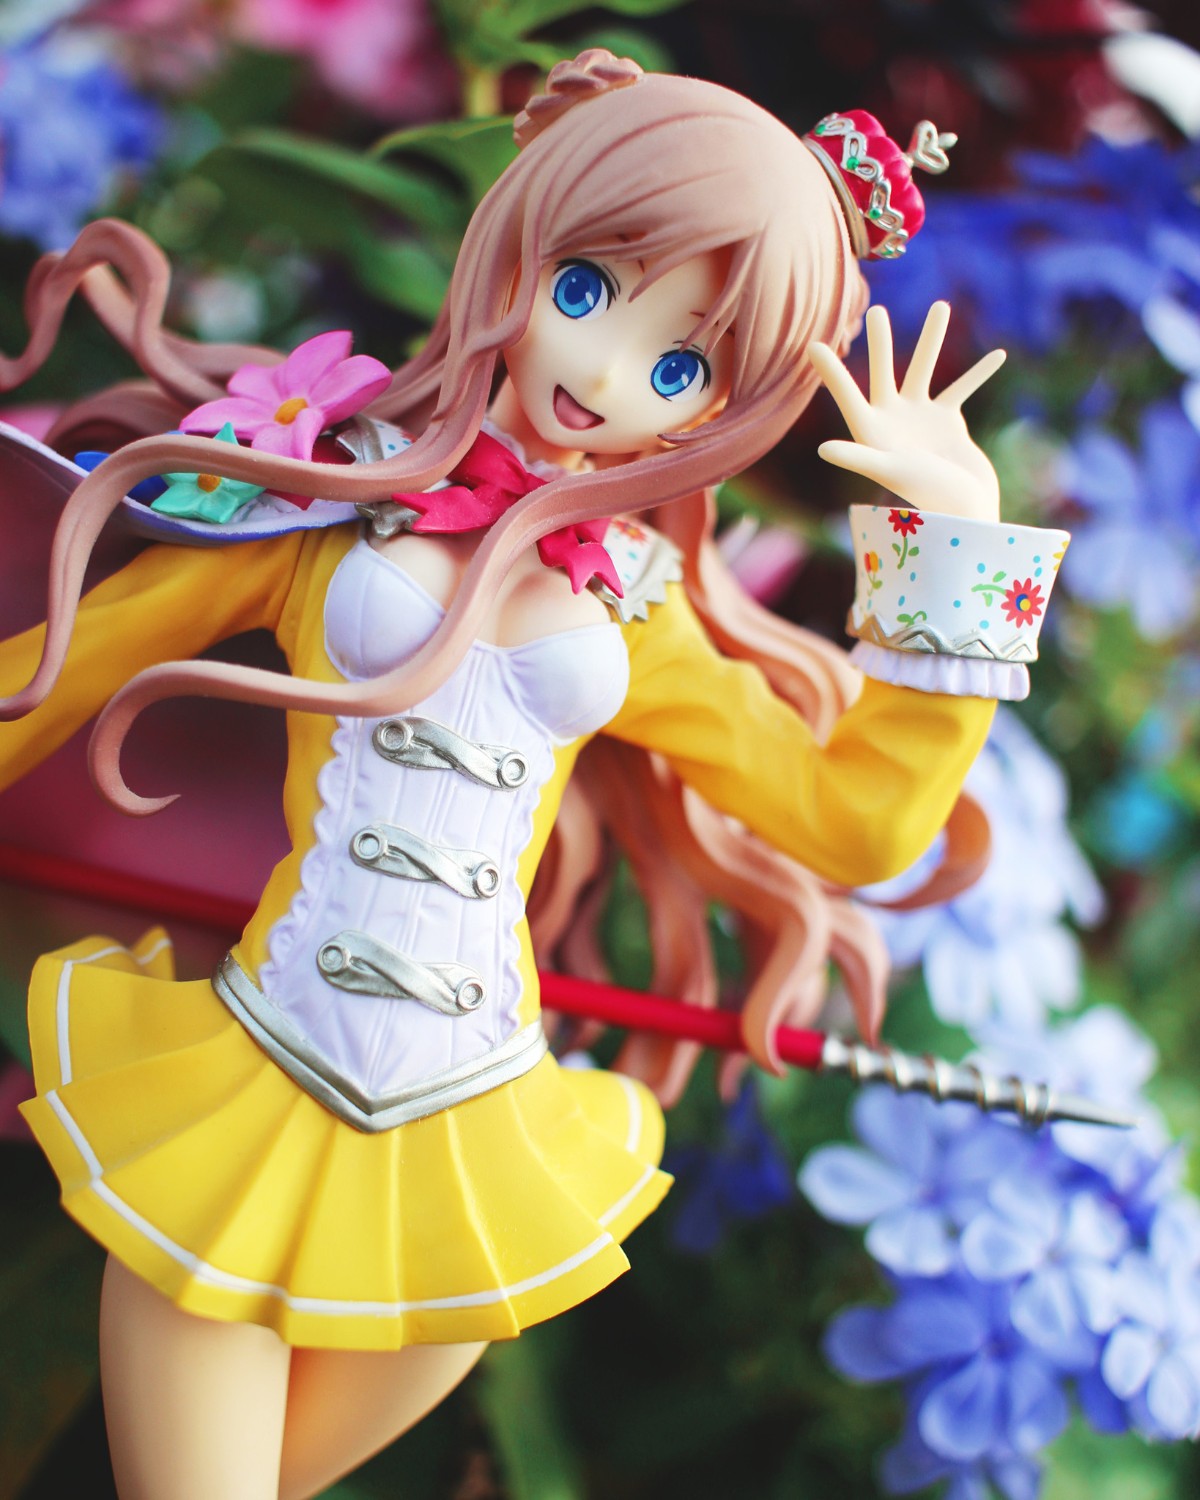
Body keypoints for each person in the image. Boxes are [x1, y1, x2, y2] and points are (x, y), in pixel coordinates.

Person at [0, 50, 1052, 1500]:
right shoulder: (330, 499)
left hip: (472, 1160)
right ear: (520, 239)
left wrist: (959, 550)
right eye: (584, 288)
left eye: (682, 368)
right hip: (250, 1101)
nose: (606, 376)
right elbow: (67, 668)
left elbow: (858, 825)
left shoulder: (636, 606)